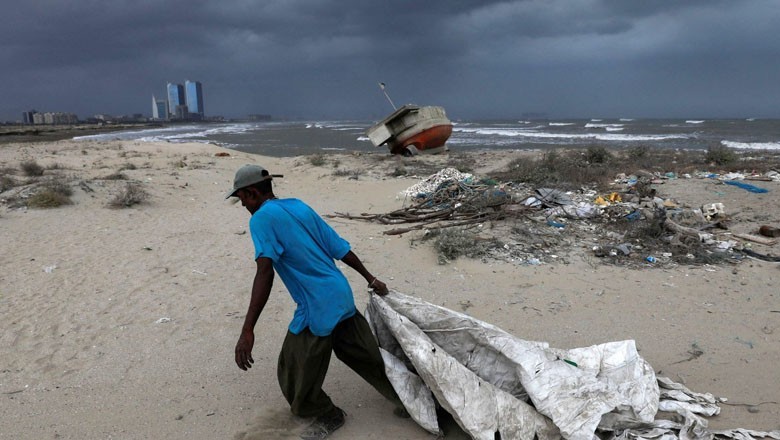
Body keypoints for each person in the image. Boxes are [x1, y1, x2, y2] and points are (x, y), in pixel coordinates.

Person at [227, 164, 403, 440]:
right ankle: (409, 399)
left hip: (317, 306)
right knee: (368, 358)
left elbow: (265, 271)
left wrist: (247, 329)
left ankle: (327, 414)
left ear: (252, 193)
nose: (242, 205)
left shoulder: (260, 219)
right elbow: (339, 247)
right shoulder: (298, 206)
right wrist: (369, 277)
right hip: (341, 295)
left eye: (242, 198)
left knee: (292, 371)